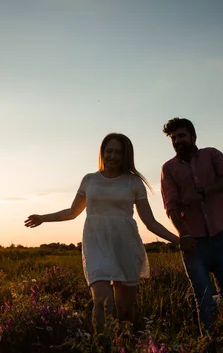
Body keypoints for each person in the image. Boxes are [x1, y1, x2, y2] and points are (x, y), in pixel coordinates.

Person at [25, 133, 180, 334]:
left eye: (118, 152)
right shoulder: (90, 180)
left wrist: (178, 240)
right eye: (109, 151)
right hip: (96, 245)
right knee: (102, 302)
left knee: (125, 311)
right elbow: (72, 213)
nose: (113, 156)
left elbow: (150, 222)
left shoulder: (133, 183)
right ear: (102, 153)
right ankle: (102, 350)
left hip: (126, 245)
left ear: (126, 156)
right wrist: (43, 217)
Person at [160, 117, 223, 335]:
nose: (177, 140)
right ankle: (211, 347)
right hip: (193, 244)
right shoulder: (168, 169)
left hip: (219, 236)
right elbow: (171, 205)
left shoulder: (211, 155)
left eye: (182, 136)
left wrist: (204, 191)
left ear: (193, 137)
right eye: (173, 137)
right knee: (204, 301)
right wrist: (183, 235)